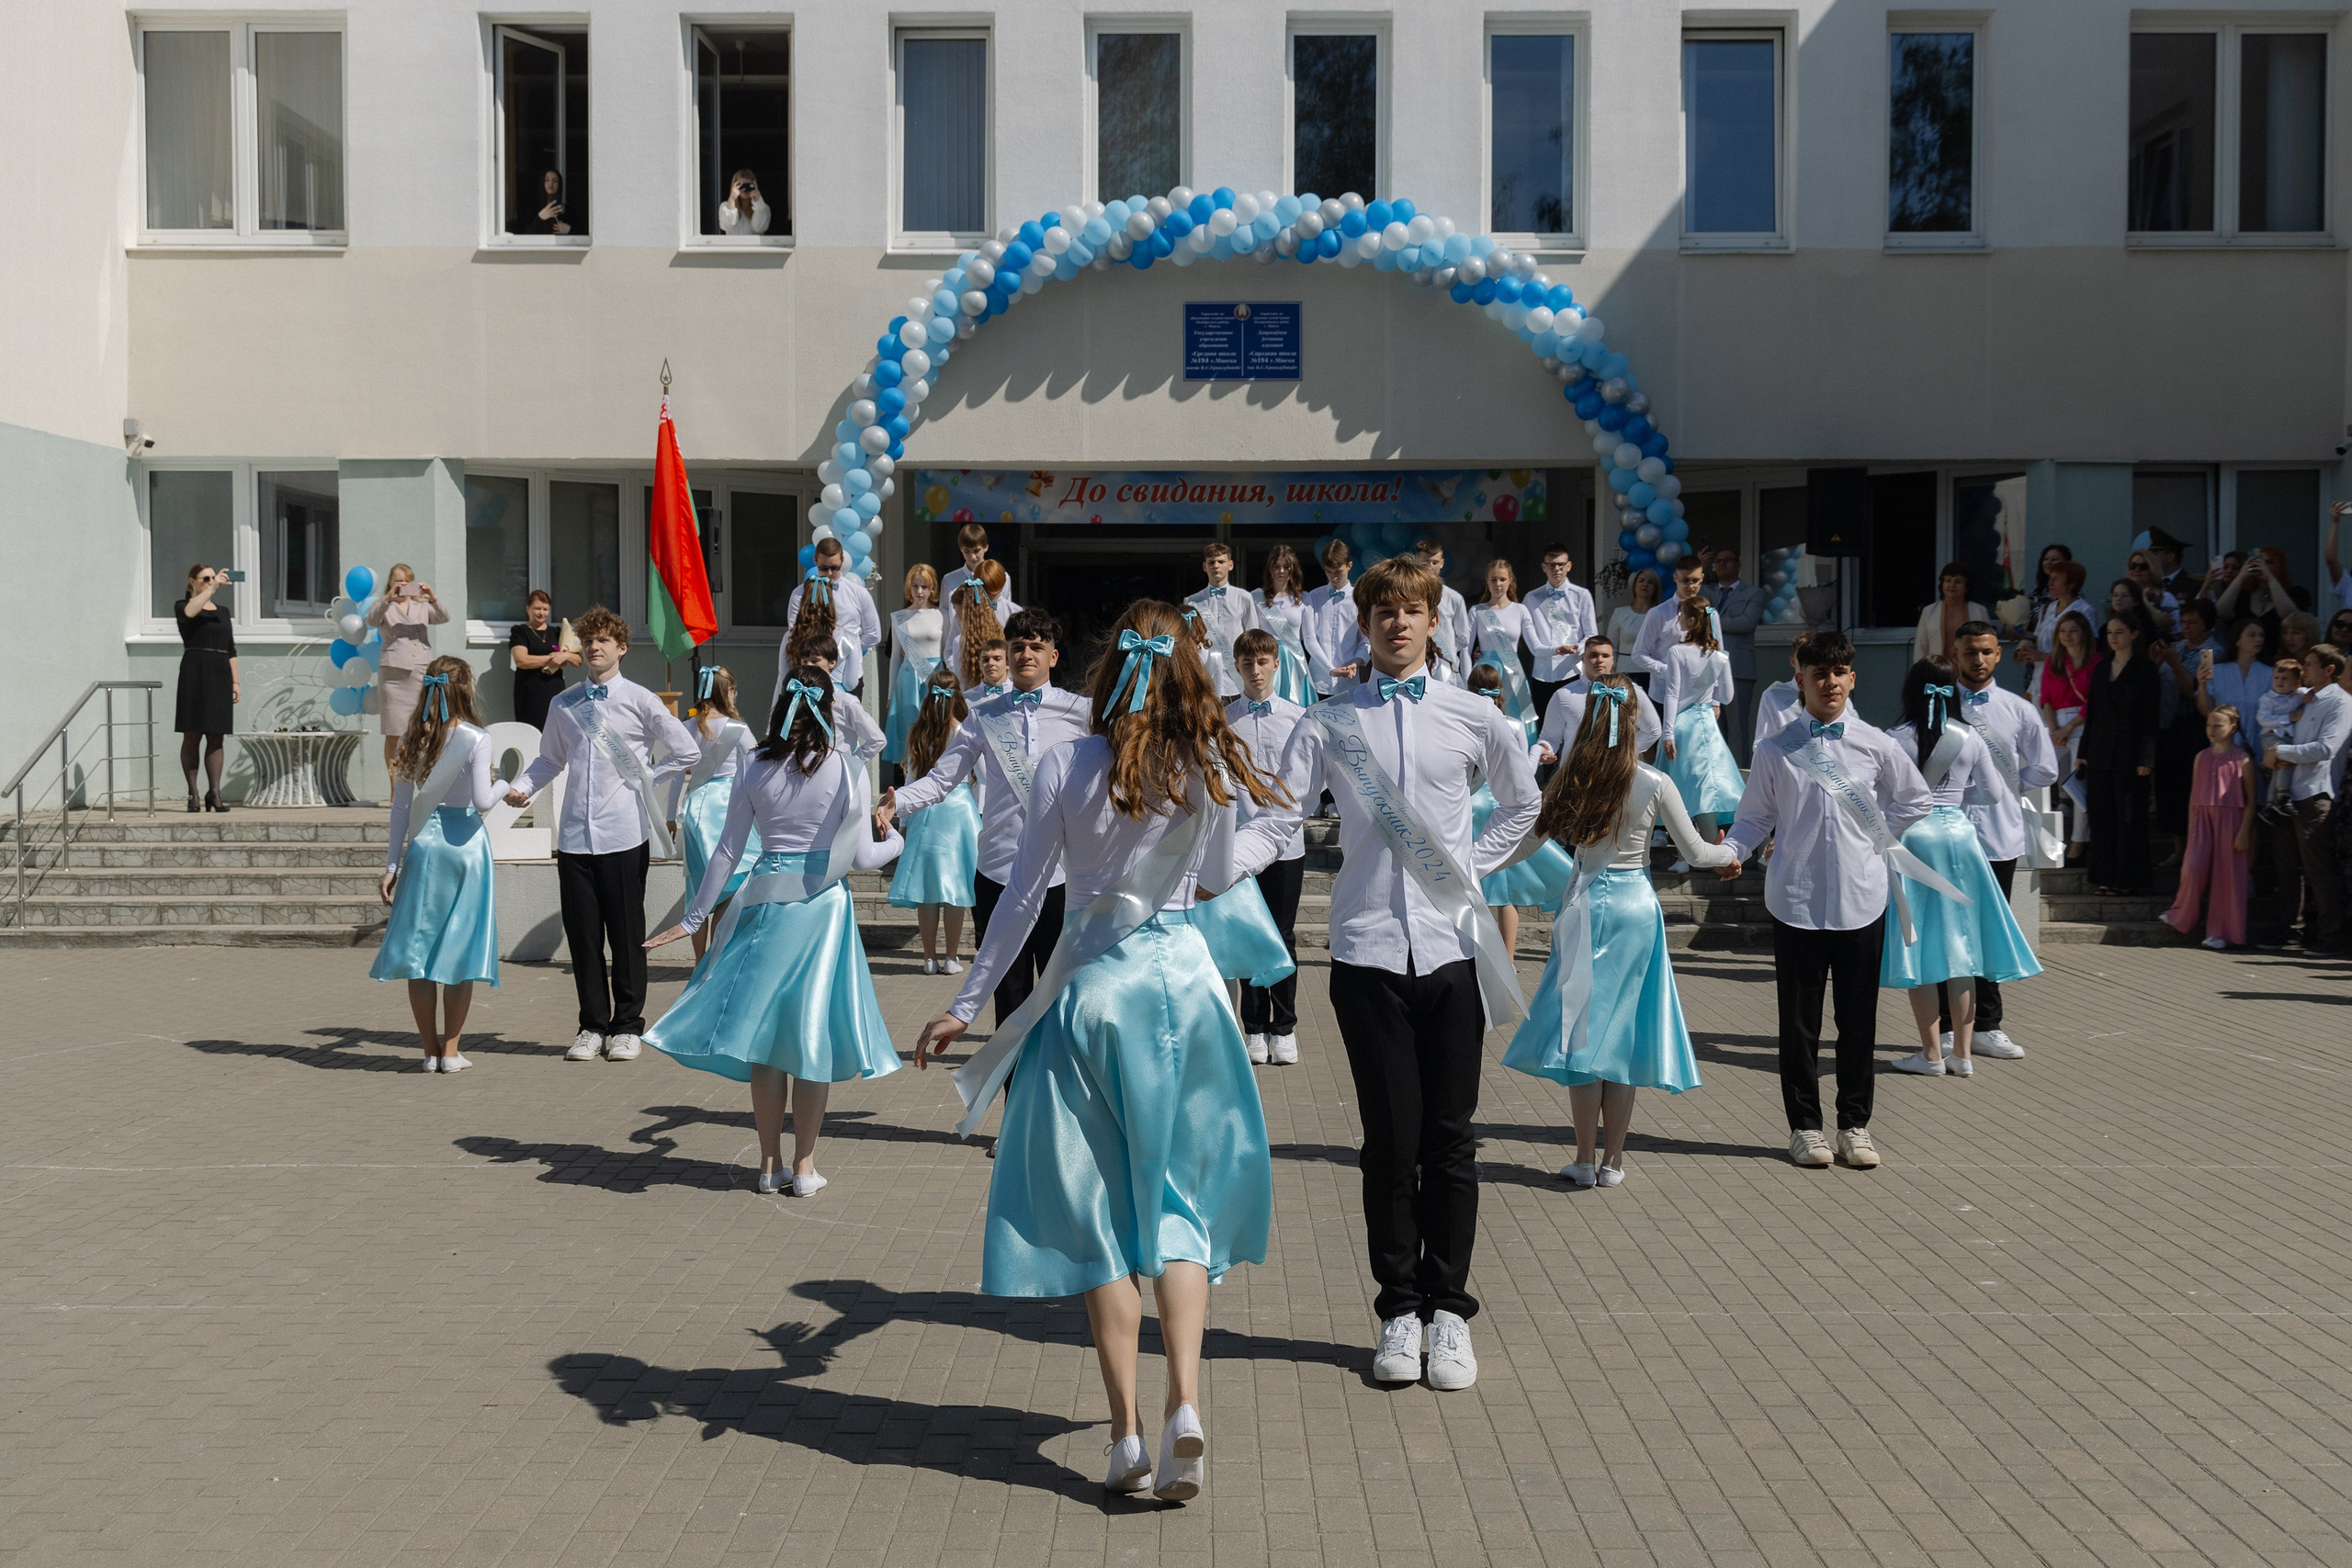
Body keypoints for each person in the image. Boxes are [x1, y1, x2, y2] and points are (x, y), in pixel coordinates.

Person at [910, 599, 1285, 1503]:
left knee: (1097, 1215)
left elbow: (1021, 898)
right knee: (1178, 1202)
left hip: (1090, 992)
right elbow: (1210, 879)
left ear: (1103, 668)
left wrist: (966, 1004)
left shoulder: (1061, 763)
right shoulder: (1202, 764)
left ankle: (1124, 1436)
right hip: (1187, 992)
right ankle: (1184, 1402)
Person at [1236, 556, 1540, 1393]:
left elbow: (1526, 803)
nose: (1398, 623)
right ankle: (1397, 1310)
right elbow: (1277, 818)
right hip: (1365, 952)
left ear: (1435, 620)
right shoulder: (1327, 721)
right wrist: (1218, 868)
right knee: (1388, 1142)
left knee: (1450, 1140)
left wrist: (1470, 866)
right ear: (1363, 622)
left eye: (1413, 610)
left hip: (1450, 949)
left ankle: (1450, 1313)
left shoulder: (1475, 714)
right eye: (1383, 611)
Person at [644, 666, 904, 1196]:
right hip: (820, 910)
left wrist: (693, 918)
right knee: (810, 1038)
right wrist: (896, 840)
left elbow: (726, 851)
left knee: (765, 1040)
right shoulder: (849, 769)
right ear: (830, 707)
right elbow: (861, 858)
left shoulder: (755, 764)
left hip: (764, 903)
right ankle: (805, 1168)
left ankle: (768, 1165)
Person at [1500, 672, 1736, 1184]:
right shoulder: (1654, 781)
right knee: (1621, 1034)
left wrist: (1478, 869)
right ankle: (1614, 1162)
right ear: (1633, 720)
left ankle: (1584, 1159)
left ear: (1590, 718)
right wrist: (1731, 853)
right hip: (1635, 907)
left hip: (1585, 905)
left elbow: (1529, 840)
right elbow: (1695, 852)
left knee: (1582, 1035)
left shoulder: (1571, 776)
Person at [1719, 631, 1934, 1172]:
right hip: (1796, 897)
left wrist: (1879, 837)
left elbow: (1916, 799)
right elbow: (1753, 817)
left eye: (1839, 673)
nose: (1830, 683)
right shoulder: (1775, 748)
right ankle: (1805, 1128)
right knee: (1798, 1023)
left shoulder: (1877, 744)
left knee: (1859, 1020)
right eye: (1819, 674)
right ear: (1802, 680)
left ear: (1851, 679)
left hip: (1862, 895)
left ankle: (1855, 1126)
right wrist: (1731, 849)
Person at [504, 607, 701, 1063]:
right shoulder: (564, 704)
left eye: (604, 641)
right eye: (588, 640)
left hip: (624, 834)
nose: (594, 647)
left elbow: (687, 749)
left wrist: (649, 776)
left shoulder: (639, 699)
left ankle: (628, 1026)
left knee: (627, 934)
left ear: (621, 648)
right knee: (583, 935)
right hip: (574, 835)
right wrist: (522, 789)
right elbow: (548, 760)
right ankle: (591, 1026)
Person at [882, 609, 1088, 1023]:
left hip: (1060, 876)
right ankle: (1014, 1088)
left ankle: (1053, 1086)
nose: (1026, 654)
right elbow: (941, 780)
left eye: (1036, 646)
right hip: (998, 871)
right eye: (1018, 648)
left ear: (1053, 656)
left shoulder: (1081, 713)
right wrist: (897, 803)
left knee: (1059, 1001)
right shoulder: (984, 716)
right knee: (1009, 1001)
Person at [1880, 659, 2042, 1077]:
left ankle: (1931, 1055)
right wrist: (1955, 792)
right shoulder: (1969, 737)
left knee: (1919, 945)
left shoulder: (1895, 738)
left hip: (1915, 840)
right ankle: (1964, 1055)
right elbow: (1990, 793)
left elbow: (1882, 797)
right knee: (1962, 947)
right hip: (1961, 839)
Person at [372, 656, 502, 1071]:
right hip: (465, 847)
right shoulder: (476, 738)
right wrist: (504, 784)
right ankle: (451, 1052)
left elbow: (401, 808)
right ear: (466, 689)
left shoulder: (415, 737)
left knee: (419, 949)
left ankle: (428, 1051)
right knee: (460, 950)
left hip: (424, 846)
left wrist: (392, 864)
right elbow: (483, 802)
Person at [1938, 621, 2060, 1061]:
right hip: (1944, 836)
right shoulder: (1938, 704)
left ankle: (1988, 1025)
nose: (1978, 659)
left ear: (1998, 655)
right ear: (1955, 654)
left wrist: (2008, 788)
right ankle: (1949, 1028)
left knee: (1989, 932)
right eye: (1970, 651)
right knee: (1946, 931)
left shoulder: (2018, 709)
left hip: (1996, 837)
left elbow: (2045, 769)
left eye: (1987, 651)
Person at [1227, 629, 1315, 1065]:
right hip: (1241, 846)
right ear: (1237, 667)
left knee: (1281, 934)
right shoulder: (1226, 722)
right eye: (1247, 664)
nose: (1256, 671)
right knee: (1248, 932)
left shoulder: (1299, 718)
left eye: (1263, 662)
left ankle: (1284, 1026)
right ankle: (1254, 1027)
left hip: (1285, 846)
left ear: (1276, 664)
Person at [1466, 665, 1572, 956]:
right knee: (1504, 887)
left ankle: (1473, 954)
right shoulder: (1511, 724)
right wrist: (1538, 750)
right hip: (1501, 806)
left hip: (1469, 804)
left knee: (1470, 878)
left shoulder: (1463, 719)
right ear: (1501, 689)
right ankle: (1508, 958)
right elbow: (1523, 773)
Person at [2262, 644, 2352, 954]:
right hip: (2287, 793)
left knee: (2319, 869)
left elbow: (2327, 748)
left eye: (2310, 664)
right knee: (2286, 868)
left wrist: (2280, 753)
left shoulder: (2341, 702)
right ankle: (2291, 932)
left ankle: (2331, 937)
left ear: (2329, 670)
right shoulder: (2305, 699)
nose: (2304, 669)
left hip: (2316, 794)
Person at [888, 668, 978, 976]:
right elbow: (977, 780)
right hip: (960, 812)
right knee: (956, 890)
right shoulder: (967, 730)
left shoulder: (919, 731)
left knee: (927, 889)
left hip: (926, 809)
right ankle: (951, 957)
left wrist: (903, 823)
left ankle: (929, 957)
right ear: (958, 697)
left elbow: (912, 777)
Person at [674, 666, 754, 963]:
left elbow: (674, 775)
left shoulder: (688, 726)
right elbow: (757, 762)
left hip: (695, 807)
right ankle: (716, 958)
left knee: (698, 886)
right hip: (727, 806)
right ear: (728, 692)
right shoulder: (738, 729)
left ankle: (698, 959)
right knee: (726, 884)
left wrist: (671, 815)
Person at [1654, 598, 1745, 858]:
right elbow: (1726, 696)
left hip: (1682, 724)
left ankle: (1694, 852)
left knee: (1685, 788)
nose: (1678, 619)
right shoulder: (1718, 656)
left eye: (1681, 615)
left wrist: (1668, 731)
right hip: (1706, 723)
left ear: (1692, 621)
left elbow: (1672, 694)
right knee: (1706, 788)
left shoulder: (1677, 652)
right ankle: (1701, 851)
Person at [2079, 615, 2163, 897]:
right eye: (2110, 632)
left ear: (2134, 634)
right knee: (2102, 817)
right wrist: (2083, 753)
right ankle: (2104, 877)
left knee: (2129, 818)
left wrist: (2147, 759)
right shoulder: (2101, 668)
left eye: (2120, 631)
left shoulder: (2146, 669)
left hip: (2132, 756)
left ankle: (2127, 879)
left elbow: (2151, 717)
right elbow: (2092, 714)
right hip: (2101, 754)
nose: (2113, 637)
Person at [2161, 705, 2256, 950]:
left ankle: (2221, 932)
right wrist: (2193, 827)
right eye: (2209, 725)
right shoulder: (2201, 756)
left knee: (2228, 876)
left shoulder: (2242, 758)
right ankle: (2181, 914)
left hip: (2231, 820)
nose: (2212, 730)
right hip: (2203, 819)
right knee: (2193, 867)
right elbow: (2194, 795)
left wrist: (2244, 831)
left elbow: (2251, 799)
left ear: (2232, 727)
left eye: (2218, 726)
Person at [368, 564, 452, 778]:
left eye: (406, 581)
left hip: (420, 671)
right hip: (393, 676)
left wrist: (432, 597)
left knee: (422, 728)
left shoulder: (421, 606)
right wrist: (389, 598)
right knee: (393, 733)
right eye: (398, 580)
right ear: (390, 582)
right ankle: (395, 786)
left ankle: (420, 777)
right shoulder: (383, 605)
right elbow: (372, 620)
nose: (402, 585)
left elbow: (444, 617)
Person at [779, 539, 882, 704]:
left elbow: (873, 634)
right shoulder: (800, 594)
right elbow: (794, 631)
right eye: (823, 568)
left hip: (847, 676)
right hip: (809, 676)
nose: (829, 573)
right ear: (815, 561)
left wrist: (848, 650)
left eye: (835, 568)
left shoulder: (859, 593)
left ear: (842, 560)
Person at [173, 563, 239, 813]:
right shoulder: (183, 605)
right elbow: (190, 612)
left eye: (213, 577)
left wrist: (236, 681)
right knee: (192, 734)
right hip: (194, 671)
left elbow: (231, 649)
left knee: (216, 734)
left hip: (220, 672)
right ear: (193, 581)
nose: (210, 581)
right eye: (205, 578)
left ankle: (215, 793)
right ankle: (193, 793)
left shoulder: (222, 611)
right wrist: (211, 589)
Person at [1537, 636, 1662, 765]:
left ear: (1613, 659)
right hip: (1574, 772)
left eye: (1605, 655)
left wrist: (1625, 754)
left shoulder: (1630, 691)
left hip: (1616, 773)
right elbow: (1550, 737)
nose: (1599, 660)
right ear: (1583, 658)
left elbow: (1653, 729)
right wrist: (1545, 750)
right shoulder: (1563, 695)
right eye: (1593, 655)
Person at [2039, 611, 2100, 856]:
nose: (2067, 636)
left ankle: (2077, 843)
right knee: (2039, 778)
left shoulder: (2096, 662)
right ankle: (2038, 838)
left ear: (2084, 632)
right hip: (2056, 725)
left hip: (2081, 725)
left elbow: (2094, 702)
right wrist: (2054, 730)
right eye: (2063, 631)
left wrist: (2068, 728)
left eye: (2073, 630)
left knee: (2078, 787)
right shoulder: (2053, 662)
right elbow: (2045, 700)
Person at [1705, 548, 1767, 763]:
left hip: (1739, 668)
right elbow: (1687, 604)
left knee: (1738, 727)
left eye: (1727, 560)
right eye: (1718, 561)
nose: (1722, 564)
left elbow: (1747, 622)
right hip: (1708, 669)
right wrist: (1699, 564)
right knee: (1713, 726)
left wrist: (1711, 621)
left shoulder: (1754, 593)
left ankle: (1741, 775)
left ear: (1738, 565)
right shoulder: (1706, 591)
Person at [1522, 546, 1598, 721]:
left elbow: (1591, 636)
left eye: (1561, 565)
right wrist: (1555, 649)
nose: (1556, 569)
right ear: (1544, 567)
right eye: (1551, 565)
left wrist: (1576, 648)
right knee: (1545, 726)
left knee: (1575, 725)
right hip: (1542, 674)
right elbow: (1532, 644)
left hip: (1572, 672)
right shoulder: (1531, 598)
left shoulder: (1582, 595)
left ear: (1569, 566)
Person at [1184, 540, 1264, 697]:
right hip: (1205, 672)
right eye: (1211, 562)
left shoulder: (1244, 597)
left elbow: (1253, 636)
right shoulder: (1192, 601)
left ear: (1230, 565)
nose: (1216, 566)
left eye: (1221, 561)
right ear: (1204, 566)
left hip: (1237, 674)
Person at [885, 564, 944, 771]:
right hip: (908, 680)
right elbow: (895, 658)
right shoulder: (899, 617)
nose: (919, 592)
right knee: (910, 733)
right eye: (915, 586)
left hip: (935, 679)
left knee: (935, 732)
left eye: (925, 587)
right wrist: (891, 695)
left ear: (932, 588)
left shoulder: (942, 615)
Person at [1468, 559, 1537, 738]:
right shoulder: (1477, 611)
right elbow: (1465, 649)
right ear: (1487, 581)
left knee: (1517, 717)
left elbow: (1535, 647)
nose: (1497, 584)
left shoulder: (1520, 610)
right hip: (1486, 673)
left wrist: (1557, 649)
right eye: (1493, 579)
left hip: (1513, 673)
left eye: (1502, 579)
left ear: (1510, 581)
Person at [941, 526, 1019, 678]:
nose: (972, 556)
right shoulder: (949, 580)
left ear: (986, 547)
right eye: (966, 551)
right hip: (965, 653)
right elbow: (945, 619)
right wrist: (956, 667)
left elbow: (1004, 612)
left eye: (976, 550)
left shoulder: (1003, 577)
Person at [2199, 618, 2275, 757]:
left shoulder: (2271, 674)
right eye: (2252, 635)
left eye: (2261, 635)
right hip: (2224, 743)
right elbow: (2206, 711)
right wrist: (2202, 684)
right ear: (2237, 640)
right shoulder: (2217, 671)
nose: (2259, 639)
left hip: (2258, 744)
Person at [1251, 545, 1316, 707]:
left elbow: (1310, 639)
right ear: (1270, 569)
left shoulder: (1303, 599)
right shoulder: (1256, 598)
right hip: (1266, 661)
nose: (1281, 571)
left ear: (1293, 569)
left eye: (1286, 567)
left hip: (1295, 663)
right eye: (1277, 567)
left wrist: (1330, 668)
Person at [1303, 538, 1367, 697]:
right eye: (1329, 572)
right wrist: (1329, 669)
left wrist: (1356, 661)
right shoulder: (1313, 597)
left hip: (1350, 682)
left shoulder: (1360, 599)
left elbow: (1366, 640)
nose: (1334, 577)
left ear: (1349, 566)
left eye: (1338, 571)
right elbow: (1310, 639)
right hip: (1319, 681)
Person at [1630, 557, 1711, 679]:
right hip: (1664, 690)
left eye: (1695, 580)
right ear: (1675, 578)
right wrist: (1668, 671)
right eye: (1685, 580)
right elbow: (1638, 654)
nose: (1690, 586)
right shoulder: (1658, 613)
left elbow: (1717, 650)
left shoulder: (1709, 613)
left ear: (1702, 579)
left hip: (1699, 690)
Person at [508, 589, 577, 730]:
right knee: (531, 732)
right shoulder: (520, 631)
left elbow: (578, 660)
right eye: (537, 608)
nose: (541, 613)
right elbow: (521, 660)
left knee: (557, 731)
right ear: (528, 609)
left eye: (545, 609)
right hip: (529, 691)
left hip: (554, 690)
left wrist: (566, 656)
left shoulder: (557, 632)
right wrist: (553, 658)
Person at [1414, 540, 1476, 686]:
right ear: (1417, 561)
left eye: (1434, 562)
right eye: (1425, 562)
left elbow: (1463, 640)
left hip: (1445, 671)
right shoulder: (1408, 597)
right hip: (1415, 668)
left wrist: (1466, 679)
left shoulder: (1454, 599)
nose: (1429, 567)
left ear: (1442, 563)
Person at [2256, 660, 2310, 819]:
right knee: (2285, 761)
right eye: (2276, 677)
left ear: (2296, 682)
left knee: (2280, 769)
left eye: (2285, 679)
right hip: (2271, 736)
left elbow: (2312, 692)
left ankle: (2270, 805)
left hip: (2288, 737)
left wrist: (2310, 695)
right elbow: (2263, 719)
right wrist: (2289, 717)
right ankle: (2283, 797)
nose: (2279, 681)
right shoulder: (2268, 698)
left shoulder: (2299, 694)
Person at [2216, 546, 2312, 633]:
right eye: (2258, 561)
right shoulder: (2244, 595)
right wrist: (2241, 576)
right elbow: (2220, 613)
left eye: (2268, 563)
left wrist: (2270, 578)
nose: (2261, 565)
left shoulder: (2296, 593)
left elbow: (2291, 618)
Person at [1912, 561, 1989, 666]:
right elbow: (1921, 646)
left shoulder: (1979, 611)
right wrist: (1920, 671)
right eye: (1948, 580)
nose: (1952, 585)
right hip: (1937, 671)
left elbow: (1987, 645)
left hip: (1970, 670)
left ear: (1967, 587)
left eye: (1958, 582)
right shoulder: (1929, 611)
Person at [950, 560, 1011, 689]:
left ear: (967, 612)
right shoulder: (1001, 633)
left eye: (956, 610)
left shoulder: (959, 641)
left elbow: (960, 683)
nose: (955, 615)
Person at [1752, 634, 1812, 757]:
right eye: (1803, 658)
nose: (1809, 664)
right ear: (1793, 661)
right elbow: (1761, 743)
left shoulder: (1832, 694)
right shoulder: (1774, 695)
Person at [2029, 560, 2096, 670]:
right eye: (2050, 578)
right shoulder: (2047, 608)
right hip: (2041, 676)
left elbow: (2085, 651)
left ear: (2071, 583)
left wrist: (2043, 657)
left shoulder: (2084, 610)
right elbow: (2041, 642)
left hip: (2066, 676)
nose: (2050, 583)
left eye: (2056, 579)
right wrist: (2030, 651)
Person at [2018, 545, 2076, 665]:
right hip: (2039, 669)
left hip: (2062, 669)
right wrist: (2019, 634)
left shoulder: (2077, 603)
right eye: (2046, 559)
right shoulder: (2039, 597)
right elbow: (2037, 634)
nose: (2049, 562)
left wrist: (2042, 655)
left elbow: (2079, 650)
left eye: (2054, 559)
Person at [1606, 569, 1662, 679]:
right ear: (1634, 586)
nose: (1645, 584)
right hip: (1625, 671)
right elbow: (1611, 647)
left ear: (1655, 589)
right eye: (1641, 581)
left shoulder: (1660, 614)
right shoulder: (1620, 613)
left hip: (1653, 672)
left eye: (1650, 582)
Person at [2145, 526, 2200, 605]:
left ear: (2170, 557)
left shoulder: (2194, 584)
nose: (2151, 558)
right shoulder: (2151, 584)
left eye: (2155, 554)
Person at [716, 168, 771, 235]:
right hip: (733, 245)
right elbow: (727, 226)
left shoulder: (763, 208)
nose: (745, 189)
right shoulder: (725, 206)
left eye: (748, 186)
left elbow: (759, 228)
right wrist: (732, 199)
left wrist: (758, 201)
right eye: (741, 186)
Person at [964, 636, 1010, 703]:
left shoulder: (1020, 695)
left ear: (1008, 663)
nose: (990, 663)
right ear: (980, 664)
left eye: (997, 659)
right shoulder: (966, 698)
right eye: (986, 660)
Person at [534, 169, 571, 235]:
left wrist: (569, 230)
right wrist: (540, 218)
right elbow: (526, 235)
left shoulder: (568, 211)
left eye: (555, 181)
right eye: (546, 180)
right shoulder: (533, 209)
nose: (550, 184)